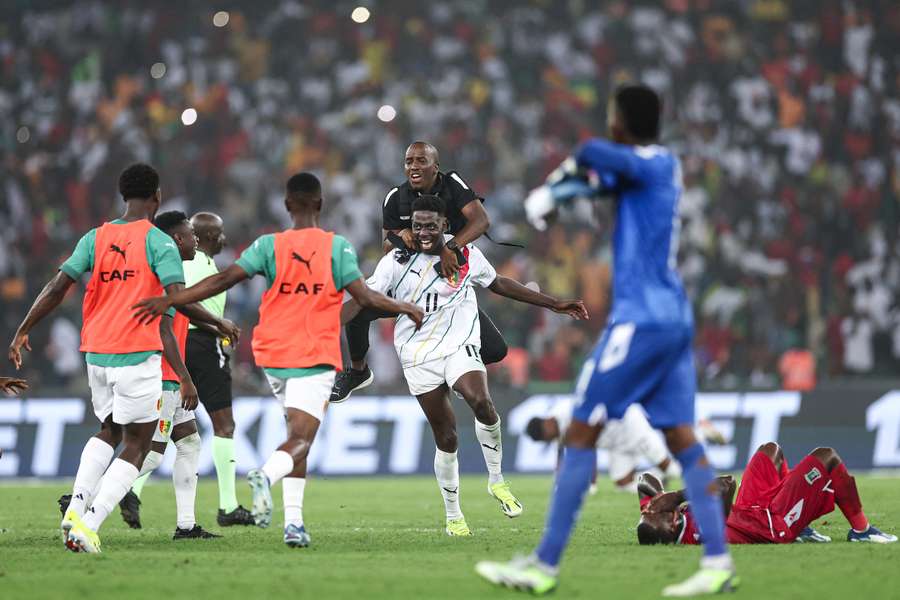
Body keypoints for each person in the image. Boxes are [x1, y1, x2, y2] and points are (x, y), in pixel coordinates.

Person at [476, 84, 734, 597]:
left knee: (581, 430)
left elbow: (590, 155)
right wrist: (558, 195)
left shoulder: (658, 162)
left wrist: (552, 186)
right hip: (671, 319)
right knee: (682, 437)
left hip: (641, 320)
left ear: (620, 123)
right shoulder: (642, 172)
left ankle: (544, 566)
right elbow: (592, 180)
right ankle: (717, 563)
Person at [131, 172, 424, 548]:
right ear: (319, 204)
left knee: (294, 435)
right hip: (313, 353)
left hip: (272, 354)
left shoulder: (267, 245)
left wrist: (171, 299)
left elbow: (223, 281)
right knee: (302, 438)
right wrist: (402, 306)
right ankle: (264, 476)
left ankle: (294, 524)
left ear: (287, 205)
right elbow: (365, 298)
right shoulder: (337, 248)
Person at [8, 163, 231, 553]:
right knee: (138, 444)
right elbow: (177, 300)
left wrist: (23, 327)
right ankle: (88, 524)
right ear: (157, 197)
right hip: (137, 352)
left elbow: (58, 285)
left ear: (122, 195)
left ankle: (74, 512)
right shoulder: (159, 242)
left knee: (108, 431)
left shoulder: (95, 237)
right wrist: (217, 323)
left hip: (96, 352)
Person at [345, 194, 588, 536]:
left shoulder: (466, 254)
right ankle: (454, 515)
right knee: (446, 436)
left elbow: (499, 283)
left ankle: (496, 480)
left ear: (445, 225)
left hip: (460, 344)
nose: (425, 232)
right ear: (410, 228)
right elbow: (363, 299)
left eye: (431, 225)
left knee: (482, 403)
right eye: (418, 226)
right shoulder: (395, 262)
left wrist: (553, 304)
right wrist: (322, 326)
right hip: (417, 354)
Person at [331, 141, 507, 403]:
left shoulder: (452, 184)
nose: (413, 166)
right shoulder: (395, 197)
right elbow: (387, 244)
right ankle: (358, 372)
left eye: (420, 161)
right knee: (359, 311)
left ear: (436, 167)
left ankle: (452, 367)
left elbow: (481, 220)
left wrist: (450, 246)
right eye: (409, 161)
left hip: (447, 283)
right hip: (410, 285)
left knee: (495, 349)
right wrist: (401, 234)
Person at [118, 211, 224, 538]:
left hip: (170, 375)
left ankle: (186, 525)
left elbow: (184, 313)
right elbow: (165, 330)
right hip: (165, 378)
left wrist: (218, 324)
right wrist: (185, 378)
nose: (196, 240)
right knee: (150, 454)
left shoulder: (172, 271)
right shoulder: (165, 273)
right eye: (191, 234)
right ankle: (87, 497)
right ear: (177, 239)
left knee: (190, 442)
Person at [637, 442, 897, 546]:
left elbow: (643, 481)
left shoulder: (661, 523)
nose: (666, 511)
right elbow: (727, 484)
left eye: (653, 511)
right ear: (672, 526)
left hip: (749, 513)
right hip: (773, 525)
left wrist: (655, 500)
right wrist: (679, 495)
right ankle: (862, 531)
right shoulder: (701, 532)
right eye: (665, 514)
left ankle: (802, 524)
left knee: (770, 452)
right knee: (826, 457)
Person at [182, 211, 254, 526]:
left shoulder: (192, 263)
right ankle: (227, 506)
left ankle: (130, 491)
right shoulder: (199, 264)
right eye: (220, 233)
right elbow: (185, 305)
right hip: (203, 346)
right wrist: (218, 328)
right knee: (224, 426)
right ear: (210, 236)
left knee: (165, 428)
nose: (224, 238)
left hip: (181, 346)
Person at [526, 402, 682, 493]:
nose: (549, 439)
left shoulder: (566, 415)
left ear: (546, 423)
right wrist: (558, 482)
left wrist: (592, 484)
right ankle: (659, 478)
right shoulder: (557, 430)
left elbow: (589, 448)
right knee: (623, 483)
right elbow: (560, 456)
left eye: (546, 436)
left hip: (630, 426)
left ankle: (701, 474)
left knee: (671, 469)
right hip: (617, 445)